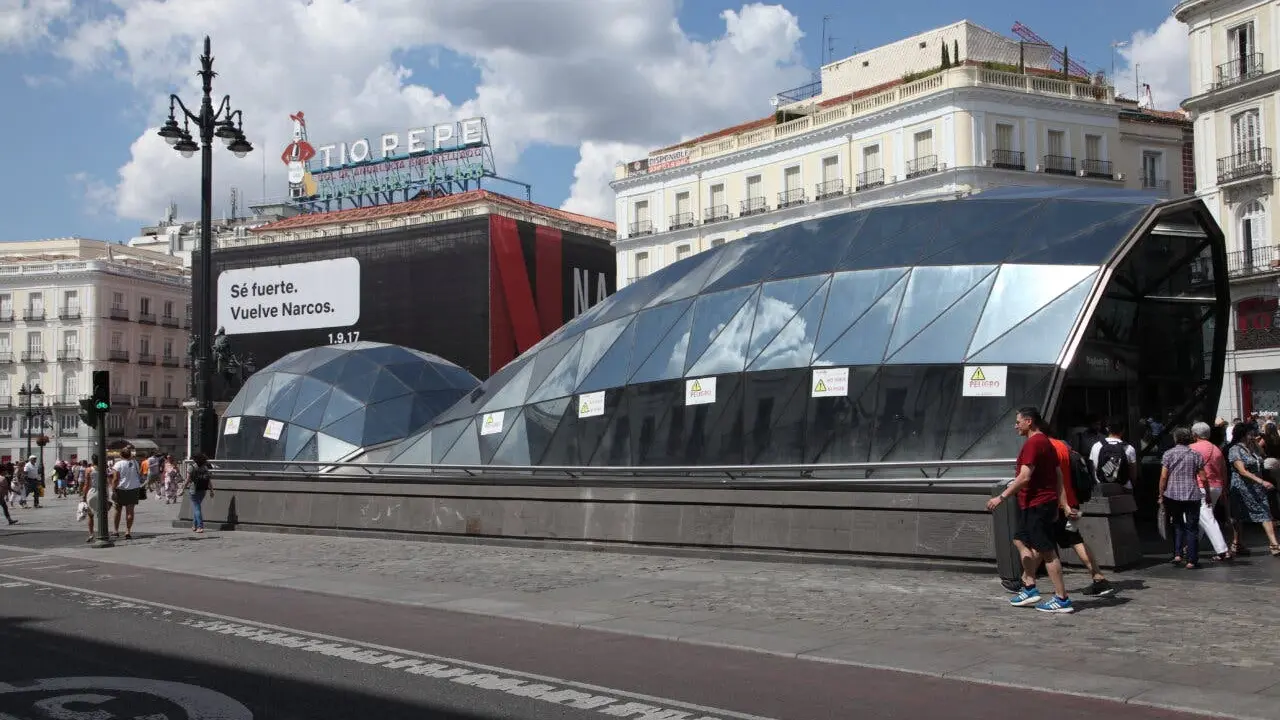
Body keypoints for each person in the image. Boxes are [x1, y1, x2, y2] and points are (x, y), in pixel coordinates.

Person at [986, 407, 1074, 613]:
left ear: (1029, 422)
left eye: (1018, 422)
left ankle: (1062, 599)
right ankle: (1030, 585)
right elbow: (1058, 475)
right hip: (1036, 503)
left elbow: (1025, 477)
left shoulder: (1034, 444)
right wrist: (1062, 502)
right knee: (1020, 539)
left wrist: (1001, 497)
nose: (1015, 425)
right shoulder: (1046, 442)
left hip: (1038, 504)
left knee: (1047, 551)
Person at [1046, 430, 1116, 597]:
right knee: (1074, 538)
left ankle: (1027, 581)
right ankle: (1098, 577)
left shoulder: (1047, 447)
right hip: (1072, 500)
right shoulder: (1064, 445)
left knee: (1038, 541)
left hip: (1058, 503)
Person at [1225, 422, 1280, 556]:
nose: (1253, 435)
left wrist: (1255, 444)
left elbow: (1262, 457)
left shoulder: (1252, 447)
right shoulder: (1234, 449)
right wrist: (1262, 481)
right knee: (1239, 516)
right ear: (1243, 435)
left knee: (1265, 513)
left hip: (1257, 487)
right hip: (1241, 487)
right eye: (1250, 433)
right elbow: (1242, 471)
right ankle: (1237, 544)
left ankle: (1274, 544)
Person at [1159, 427, 1208, 569]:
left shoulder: (1168, 454)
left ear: (1175, 439)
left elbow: (1163, 476)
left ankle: (1177, 553)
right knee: (1192, 528)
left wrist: (1161, 494)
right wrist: (1208, 495)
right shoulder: (1195, 455)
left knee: (1177, 524)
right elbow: (1203, 477)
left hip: (1172, 494)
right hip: (1192, 494)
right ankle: (1192, 560)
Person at [1189, 422, 1233, 561]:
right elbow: (1224, 470)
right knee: (1202, 517)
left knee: (1207, 518)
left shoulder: (1191, 448)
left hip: (1201, 486)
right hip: (1217, 486)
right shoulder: (1216, 449)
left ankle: (1222, 549)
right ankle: (1189, 546)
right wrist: (1224, 487)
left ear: (1194, 434)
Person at [1090, 420, 1138, 491]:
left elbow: (1093, 468)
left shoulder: (1096, 446)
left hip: (1102, 488)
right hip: (1124, 488)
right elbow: (1133, 474)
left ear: (1107, 429)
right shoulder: (1129, 448)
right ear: (1123, 430)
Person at [110, 448, 144, 540]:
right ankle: (128, 531)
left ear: (121, 455)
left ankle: (115, 531)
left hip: (121, 489)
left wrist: (112, 489)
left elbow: (116, 478)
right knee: (130, 511)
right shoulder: (135, 463)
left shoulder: (118, 464)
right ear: (129, 455)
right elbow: (139, 474)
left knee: (117, 510)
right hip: (133, 488)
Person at [183, 453, 213, 533]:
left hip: (194, 489)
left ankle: (200, 526)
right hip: (203, 489)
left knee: (197, 508)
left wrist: (182, 489)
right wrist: (211, 490)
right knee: (197, 507)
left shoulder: (191, 467)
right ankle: (194, 525)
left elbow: (188, 479)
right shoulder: (205, 467)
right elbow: (208, 480)